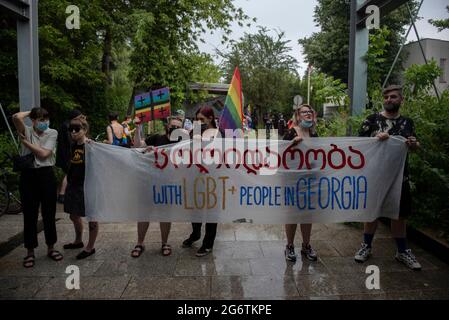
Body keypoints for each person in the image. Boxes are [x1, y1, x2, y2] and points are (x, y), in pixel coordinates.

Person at [354, 84, 421, 270]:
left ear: (401, 100)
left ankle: (402, 251)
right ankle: (366, 246)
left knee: (399, 214)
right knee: (372, 211)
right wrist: (375, 136)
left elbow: (414, 147)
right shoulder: (372, 120)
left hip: (400, 177)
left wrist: (414, 144)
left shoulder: (408, 123)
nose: (389, 100)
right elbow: (359, 144)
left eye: (393, 97)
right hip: (375, 175)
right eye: (386, 97)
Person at [12, 107, 63, 268]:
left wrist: (25, 142)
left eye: (45, 119)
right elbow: (15, 117)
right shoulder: (26, 129)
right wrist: (31, 111)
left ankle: (51, 247)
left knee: (49, 212)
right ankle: (30, 251)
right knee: (29, 214)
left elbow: (44, 154)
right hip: (28, 176)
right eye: (40, 120)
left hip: (46, 175)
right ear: (33, 121)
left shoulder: (52, 133)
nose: (44, 123)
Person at [130, 116, 185, 258]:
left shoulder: (182, 143)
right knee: (144, 213)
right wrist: (137, 128)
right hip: (149, 182)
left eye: (178, 127)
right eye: (173, 126)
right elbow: (137, 146)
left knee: (165, 215)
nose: (175, 129)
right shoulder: (156, 138)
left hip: (168, 183)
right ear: (167, 126)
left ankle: (165, 243)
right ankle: (140, 243)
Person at [182, 106, 220, 257]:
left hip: (213, 177)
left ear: (211, 118)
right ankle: (195, 234)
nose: (198, 122)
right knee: (195, 207)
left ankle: (208, 243)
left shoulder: (219, 134)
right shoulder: (194, 132)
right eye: (196, 119)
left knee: (211, 211)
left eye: (201, 119)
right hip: (195, 176)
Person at [283, 104, 318, 262]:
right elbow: (280, 152)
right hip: (293, 180)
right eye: (304, 112)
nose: (308, 114)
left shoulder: (314, 134)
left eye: (310, 112)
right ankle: (289, 246)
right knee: (292, 214)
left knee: (307, 215)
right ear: (298, 116)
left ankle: (306, 245)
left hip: (310, 180)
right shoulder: (291, 132)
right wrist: (291, 144)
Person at [62, 116, 99, 259]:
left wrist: (92, 145)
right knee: (73, 215)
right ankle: (78, 241)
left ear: (85, 130)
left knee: (92, 217)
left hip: (88, 186)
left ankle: (90, 247)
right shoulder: (73, 146)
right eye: (71, 129)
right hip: (74, 186)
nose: (73, 132)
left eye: (77, 129)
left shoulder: (91, 146)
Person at [55, 109, 83, 204]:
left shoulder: (66, 125)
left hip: (64, 153)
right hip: (67, 154)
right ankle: (62, 194)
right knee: (69, 173)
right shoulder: (68, 126)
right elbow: (70, 141)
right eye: (79, 117)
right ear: (75, 117)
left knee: (68, 173)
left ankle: (63, 194)